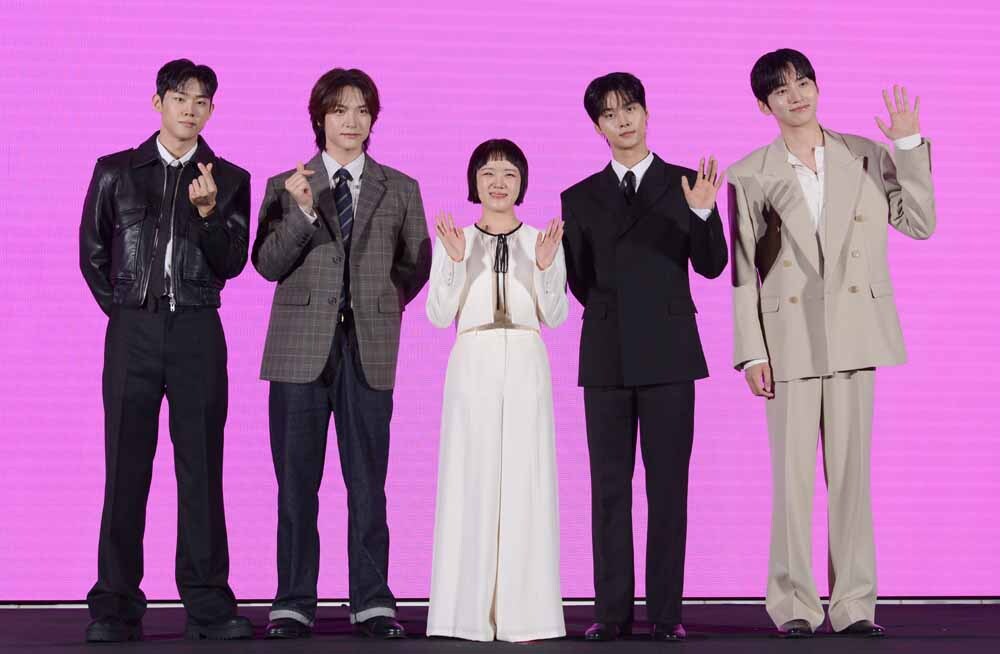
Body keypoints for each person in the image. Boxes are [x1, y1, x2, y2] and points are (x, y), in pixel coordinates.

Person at [728, 48, 936, 638]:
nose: (796, 95)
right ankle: (794, 604)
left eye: (803, 82)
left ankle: (853, 606)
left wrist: (908, 144)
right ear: (763, 105)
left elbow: (919, 223)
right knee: (791, 482)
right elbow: (743, 270)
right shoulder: (748, 173)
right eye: (781, 89)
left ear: (817, 87)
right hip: (787, 339)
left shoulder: (864, 154)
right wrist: (752, 351)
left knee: (852, 478)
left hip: (853, 334)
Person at [252, 67, 432, 640]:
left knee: (368, 483)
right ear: (320, 118)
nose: (351, 121)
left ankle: (372, 601)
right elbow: (267, 264)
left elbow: (416, 263)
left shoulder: (400, 187)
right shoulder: (286, 184)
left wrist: (380, 304)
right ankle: (292, 603)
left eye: (361, 110)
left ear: (373, 119)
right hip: (298, 351)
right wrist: (302, 213)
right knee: (295, 484)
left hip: (368, 348)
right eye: (339, 110)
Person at [79, 58, 252, 642]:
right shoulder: (116, 172)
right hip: (134, 331)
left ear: (212, 110)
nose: (190, 110)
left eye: (201, 101)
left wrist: (208, 214)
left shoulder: (230, 180)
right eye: (180, 98)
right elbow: (93, 253)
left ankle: (207, 604)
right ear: (158, 103)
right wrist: (128, 310)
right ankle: (114, 605)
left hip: (198, 330)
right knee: (125, 467)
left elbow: (231, 262)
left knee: (201, 468)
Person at [561, 72, 728, 642]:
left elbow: (711, 265)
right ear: (598, 127)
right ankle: (610, 612)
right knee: (609, 487)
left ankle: (665, 612)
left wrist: (703, 214)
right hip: (606, 355)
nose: (623, 121)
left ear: (646, 113)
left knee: (668, 487)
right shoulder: (579, 197)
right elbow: (579, 281)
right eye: (609, 114)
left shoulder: (686, 183)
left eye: (630, 108)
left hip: (670, 354)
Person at [425, 139, 568, 642]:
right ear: (474, 182)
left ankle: (526, 615)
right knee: (471, 479)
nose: (499, 182)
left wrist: (545, 267)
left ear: (522, 182)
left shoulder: (542, 239)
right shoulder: (455, 238)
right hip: (473, 358)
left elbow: (556, 315)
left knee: (527, 481)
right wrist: (454, 262)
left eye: (509, 173)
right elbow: (438, 314)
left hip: (527, 358)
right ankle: (464, 616)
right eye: (488, 173)